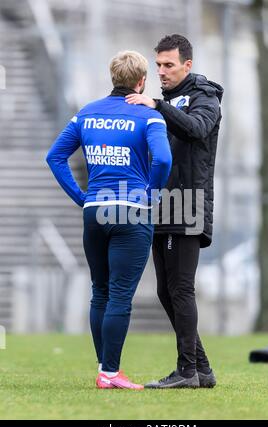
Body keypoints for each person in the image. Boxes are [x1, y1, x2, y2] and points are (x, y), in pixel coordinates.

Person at [46, 51, 172, 390]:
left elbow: (54, 156)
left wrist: (81, 197)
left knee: (99, 291)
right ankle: (110, 372)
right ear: (141, 81)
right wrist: (152, 194)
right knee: (119, 294)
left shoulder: (87, 113)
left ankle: (105, 368)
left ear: (113, 77)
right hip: (131, 210)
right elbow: (162, 159)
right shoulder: (148, 115)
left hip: (95, 211)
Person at [126, 34, 223, 388]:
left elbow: (197, 129)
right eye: (158, 66)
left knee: (180, 289)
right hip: (162, 205)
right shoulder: (165, 100)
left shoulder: (205, 96)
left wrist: (158, 106)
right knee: (166, 292)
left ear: (187, 65)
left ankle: (186, 372)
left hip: (188, 204)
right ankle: (202, 369)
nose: (162, 72)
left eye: (169, 65)